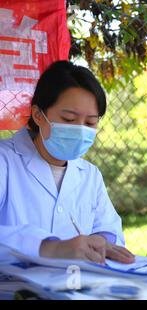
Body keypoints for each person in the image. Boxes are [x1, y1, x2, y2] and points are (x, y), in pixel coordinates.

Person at [0, 61, 135, 264]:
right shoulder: (5, 162)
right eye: (69, 119)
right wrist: (50, 248)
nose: (80, 130)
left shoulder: (90, 175)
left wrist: (103, 242)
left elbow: (109, 228)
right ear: (38, 115)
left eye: (90, 122)